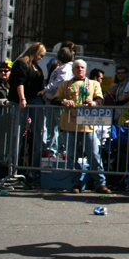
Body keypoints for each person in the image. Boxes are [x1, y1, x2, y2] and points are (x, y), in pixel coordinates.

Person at [51, 59, 108, 194]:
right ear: (73, 70)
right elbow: (54, 99)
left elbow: (100, 100)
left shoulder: (93, 84)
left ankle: (100, 183)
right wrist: (64, 101)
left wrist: (93, 103)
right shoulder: (65, 84)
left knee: (94, 154)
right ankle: (75, 183)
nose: (80, 70)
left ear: (86, 70)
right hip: (69, 125)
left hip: (88, 126)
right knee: (71, 156)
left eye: (82, 67)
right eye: (77, 67)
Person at [9, 42, 46, 184]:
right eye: (40, 55)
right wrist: (22, 99)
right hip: (23, 100)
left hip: (36, 99)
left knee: (38, 135)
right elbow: (20, 82)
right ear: (35, 52)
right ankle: (13, 171)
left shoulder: (36, 66)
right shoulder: (21, 63)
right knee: (17, 135)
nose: (41, 58)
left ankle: (35, 172)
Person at [42, 47, 74, 157]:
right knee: (54, 127)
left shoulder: (65, 69)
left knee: (60, 127)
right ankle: (53, 149)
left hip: (58, 101)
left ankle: (61, 150)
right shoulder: (64, 68)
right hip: (54, 100)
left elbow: (59, 82)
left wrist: (46, 89)